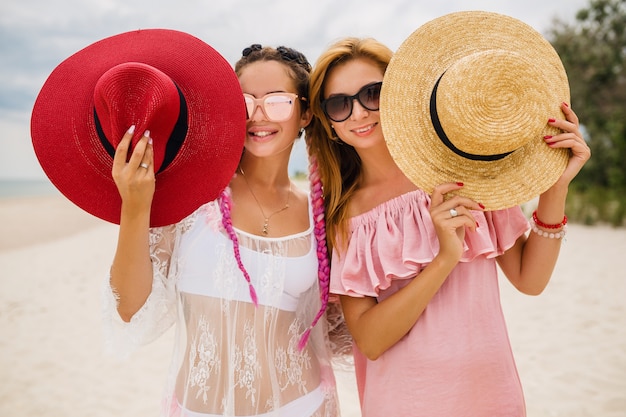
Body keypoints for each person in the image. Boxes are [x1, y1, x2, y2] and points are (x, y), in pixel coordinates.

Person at [306, 13, 591, 417]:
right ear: (329, 124)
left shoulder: (468, 173)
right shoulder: (346, 215)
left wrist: (555, 187)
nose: (358, 113)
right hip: (405, 401)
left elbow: (531, 280)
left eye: (372, 93)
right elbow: (369, 340)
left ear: (399, 93)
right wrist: (443, 259)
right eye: (339, 103)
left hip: (491, 393)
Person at [103, 43, 340, 416]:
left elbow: (342, 327)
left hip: (304, 405)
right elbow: (129, 308)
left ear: (306, 113)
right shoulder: (191, 199)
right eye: (245, 102)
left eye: (278, 101)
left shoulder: (320, 212)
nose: (259, 116)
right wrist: (135, 207)